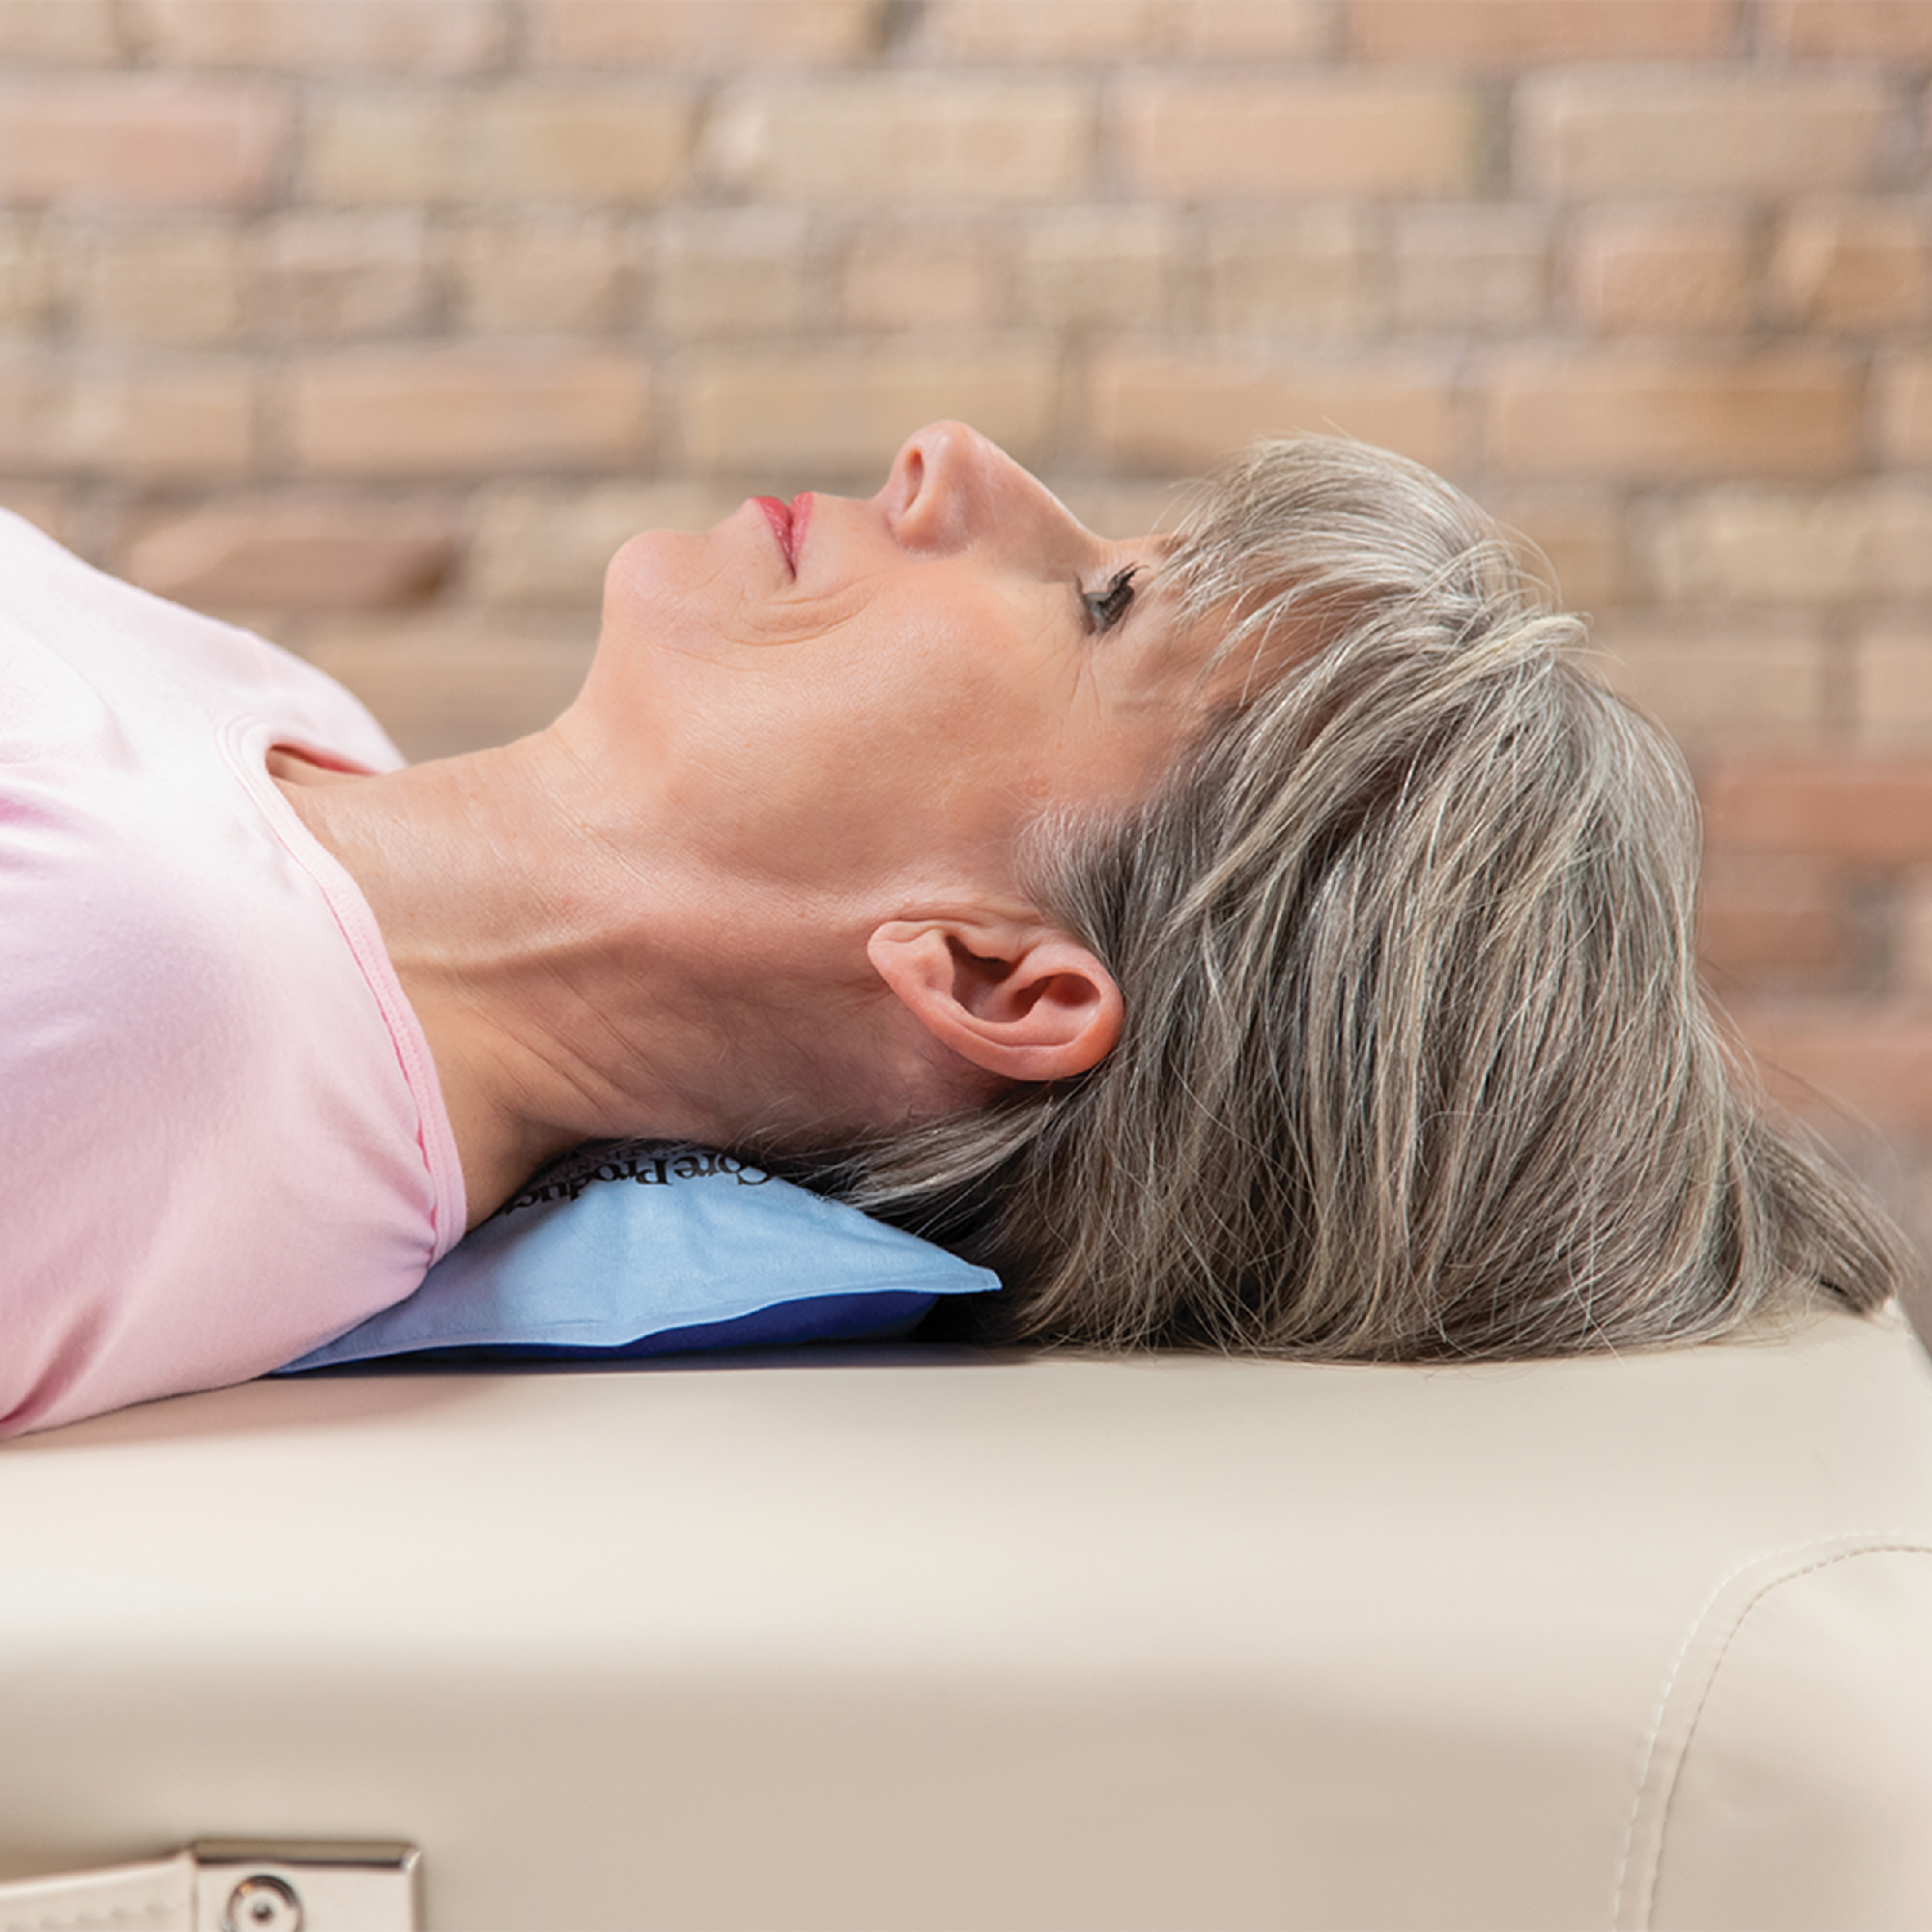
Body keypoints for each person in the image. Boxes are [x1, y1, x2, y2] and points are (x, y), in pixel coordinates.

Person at [0, 421, 1911, 1435]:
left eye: (1096, 602)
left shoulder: (140, 1003)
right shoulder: (300, 744)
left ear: (989, 970)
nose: (950, 461)